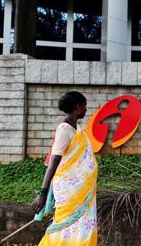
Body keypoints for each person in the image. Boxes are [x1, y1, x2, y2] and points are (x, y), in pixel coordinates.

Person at [32, 91, 98, 245]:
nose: (86, 110)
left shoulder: (78, 129)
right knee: (66, 227)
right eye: (84, 106)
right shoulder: (64, 129)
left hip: (83, 190)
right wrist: (43, 194)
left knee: (83, 228)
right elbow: (53, 164)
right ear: (77, 106)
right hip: (69, 191)